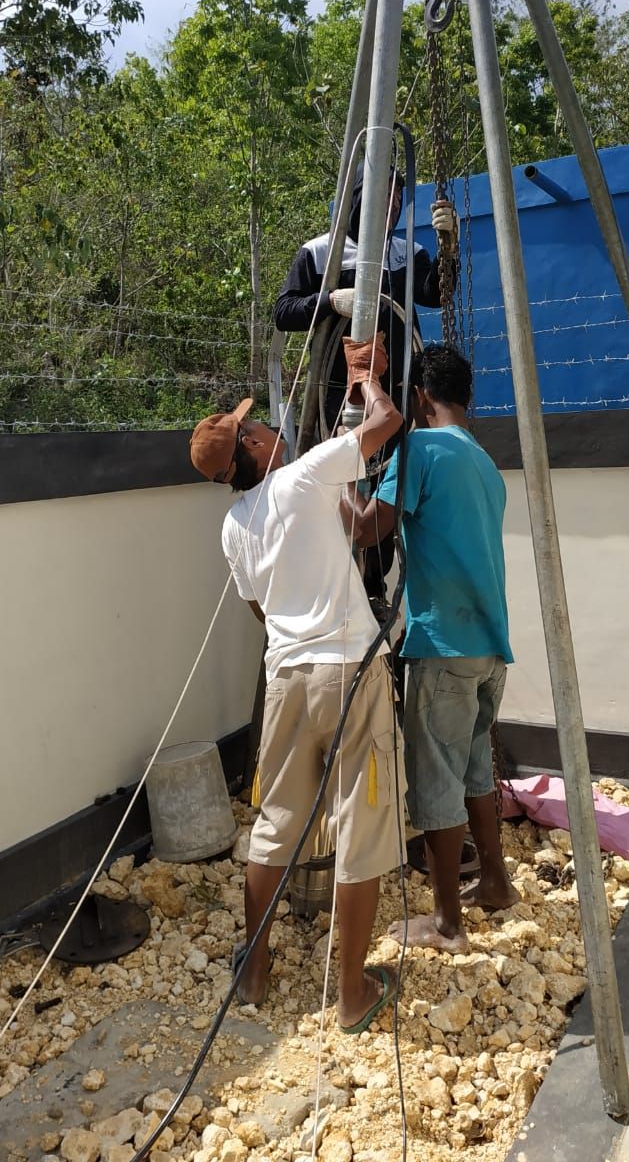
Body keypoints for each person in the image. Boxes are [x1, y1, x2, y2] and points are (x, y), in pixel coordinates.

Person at [189, 332, 405, 1032]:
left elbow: (259, 608)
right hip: (348, 670)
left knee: (276, 821)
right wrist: (367, 378)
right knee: (361, 824)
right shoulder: (308, 475)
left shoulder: (232, 525)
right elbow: (387, 424)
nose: (269, 427)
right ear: (251, 448)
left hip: (284, 676)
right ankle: (351, 994)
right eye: (257, 426)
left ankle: (252, 969)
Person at [343, 343, 518, 954]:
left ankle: (446, 922)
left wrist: (335, 476)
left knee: (437, 777)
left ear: (419, 398)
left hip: (441, 643)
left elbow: (368, 529)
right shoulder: (485, 464)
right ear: (467, 396)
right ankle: (494, 881)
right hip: (489, 644)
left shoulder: (419, 450)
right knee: (473, 767)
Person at [274, 163, 457, 601]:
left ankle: (374, 593)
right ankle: (338, 592)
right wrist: (330, 300)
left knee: (382, 500)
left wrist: (448, 248)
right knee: (335, 494)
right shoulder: (322, 254)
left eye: (398, 197)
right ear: (357, 197)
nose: (392, 205)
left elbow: (437, 294)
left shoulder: (405, 253)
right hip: (337, 402)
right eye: (383, 195)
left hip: (392, 401)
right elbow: (283, 311)